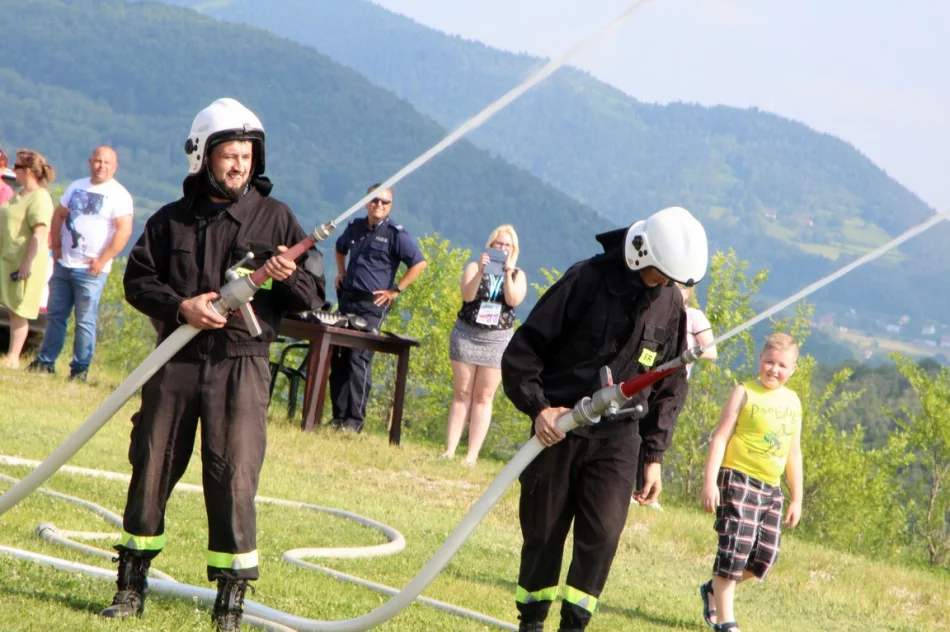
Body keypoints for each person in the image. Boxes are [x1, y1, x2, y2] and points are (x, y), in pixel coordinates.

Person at [99, 98, 325, 632]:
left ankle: (229, 604)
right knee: (151, 464)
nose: (240, 165)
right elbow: (138, 280)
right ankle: (130, 586)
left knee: (233, 476)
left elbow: (313, 296)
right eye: (230, 154)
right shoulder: (169, 221)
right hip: (176, 356)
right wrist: (183, 307)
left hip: (241, 367)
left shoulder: (278, 219)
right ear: (203, 155)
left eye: (248, 155)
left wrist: (286, 274)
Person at [502, 206, 708, 632]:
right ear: (639, 254)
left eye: (672, 279)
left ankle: (574, 626)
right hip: (559, 430)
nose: (665, 284)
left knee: (602, 537)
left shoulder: (669, 302)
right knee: (542, 534)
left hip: (620, 437)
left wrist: (653, 455)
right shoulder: (586, 281)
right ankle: (532, 622)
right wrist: (540, 408)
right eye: (659, 274)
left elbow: (670, 385)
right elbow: (523, 351)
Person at [698, 332, 802, 632]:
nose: (774, 370)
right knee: (735, 548)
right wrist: (709, 483)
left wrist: (796, 498)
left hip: (771, 487)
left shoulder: (793, 402)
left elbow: (794, 452)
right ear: (760, 361)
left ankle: (713, 589)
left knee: (763, 558)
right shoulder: (744, 392)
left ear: (793, 369)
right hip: (737, 478)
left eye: (782, 365)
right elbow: (720, 438)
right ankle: (727, 622)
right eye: (769, 362)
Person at [27, 146, 134, 381]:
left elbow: (124, 230)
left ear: (114, 167)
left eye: (107, 163)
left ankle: (79, 370)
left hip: (91, 269)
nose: (101, 166)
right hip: (65, 263)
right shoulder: (77, 186)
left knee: (85, 320)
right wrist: (55, 246)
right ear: (90, 162)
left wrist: (103, 259)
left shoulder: (119, 195)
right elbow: (59, 215)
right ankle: (45, 361)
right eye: (98, 161)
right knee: (56, 315)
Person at [329, 184, 426, 432]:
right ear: (366, 203)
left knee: (358, 359)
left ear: (390, 206)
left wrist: (396, 289)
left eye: (384, 202)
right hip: (347, 299)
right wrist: (341, 271)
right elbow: (340, 248)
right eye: (375, 201)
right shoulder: (355, 228)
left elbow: (418, 263)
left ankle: (354, 422)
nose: (379, 205)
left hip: (372, 306)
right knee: (338, 357)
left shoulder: (396, 234)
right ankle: (338, 417)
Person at [440, 225, 527, 466]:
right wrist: (480, 270)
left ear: (514, 250)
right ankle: (449, 450)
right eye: (498, 244)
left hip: (497, 339)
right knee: (462, 393)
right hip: (467, 334)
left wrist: (508, 274)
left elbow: (513, 299)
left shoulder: (518, 274)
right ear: (490, 245)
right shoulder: (473, 267)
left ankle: (471, 456)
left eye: (507, 245)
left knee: (483, 396)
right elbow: (467, 295)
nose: (502, 248)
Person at [632, 281, 718, 508]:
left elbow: (711, 350)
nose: (677, 291)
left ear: (689, 292)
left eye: (682, 287)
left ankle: (650, 494)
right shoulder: (657, 309)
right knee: (635, 429)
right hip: (646, 379)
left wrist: (686, 354)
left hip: (673, 386)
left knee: (658, 432)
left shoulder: (694, 316)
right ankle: (634, 490)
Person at [0, 149, 55, 369]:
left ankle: (13, 357)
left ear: (29, 171)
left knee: (18, 309)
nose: (14, 170)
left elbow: (39, 233)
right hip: (8, 257)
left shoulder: (40, 198)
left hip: (23, 261)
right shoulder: (19, 195)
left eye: (18, 167)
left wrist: (27, 263)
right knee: (11, 307)